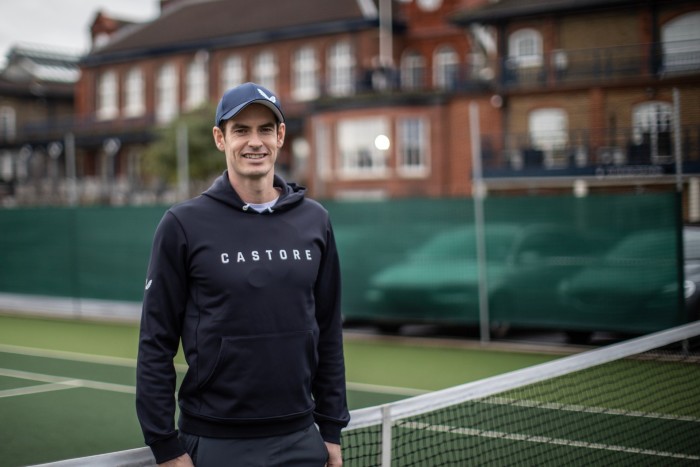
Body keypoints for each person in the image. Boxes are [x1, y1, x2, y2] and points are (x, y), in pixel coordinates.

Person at [136, 82, 350, 467]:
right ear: (221, 138)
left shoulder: (316, 220)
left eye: (266, 129)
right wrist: (166, 447)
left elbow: (328, 329)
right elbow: (155, 343)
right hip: (216, 442)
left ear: (280, 136)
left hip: (302, 440)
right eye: (241, 130)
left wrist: (330, 430)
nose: (255, 142)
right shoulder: (182, 224)